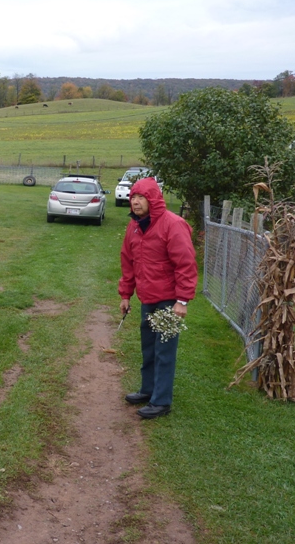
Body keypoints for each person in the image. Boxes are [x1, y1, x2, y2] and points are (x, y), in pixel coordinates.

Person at [118, 177, 197, 419]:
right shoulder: (134, 227)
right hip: (147, 298)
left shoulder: (172, 224)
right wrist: (125, 294)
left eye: (141, 197)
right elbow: (128, 263)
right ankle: (148, 390)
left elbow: (185, 264)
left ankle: (161, 401)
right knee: (149, 348)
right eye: (133, 197)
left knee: (164, 351)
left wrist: (182, 301)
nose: (136, 202)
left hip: (168, 301)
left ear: (153, 199)